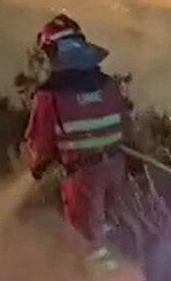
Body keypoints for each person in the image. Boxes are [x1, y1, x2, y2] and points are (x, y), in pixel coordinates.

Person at [22, 15, 133, 261]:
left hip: (83, 178)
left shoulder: (50, 95)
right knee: (115, 231)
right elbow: (126, 126)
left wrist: (37, 169)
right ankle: (130, 279)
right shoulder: (107, 84)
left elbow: (41, 145)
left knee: (88, 245)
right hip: (116, 168)